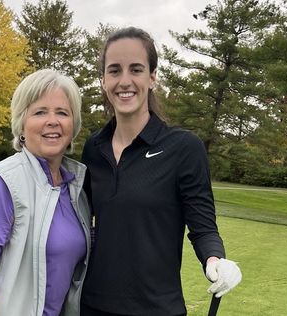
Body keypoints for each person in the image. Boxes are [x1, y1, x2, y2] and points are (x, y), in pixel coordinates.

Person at [80, 27, 242, 316]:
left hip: (158, 309)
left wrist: (214, 260)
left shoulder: (183, 148)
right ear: (103, 80)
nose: (125, 81)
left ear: (152, 77)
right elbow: (79, 223)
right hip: (92, 306)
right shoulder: (94, 148)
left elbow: (203, 227)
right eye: (114, 70)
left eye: (137, 69)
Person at [0, 69, 91, 316]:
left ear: (74, 124)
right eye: (39, 112)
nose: (52, 121)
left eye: (62, 112)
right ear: (22, 125)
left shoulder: (75, 188)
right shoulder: (2, 183)